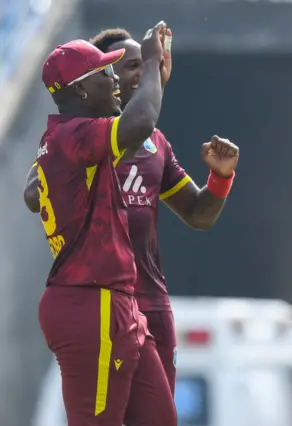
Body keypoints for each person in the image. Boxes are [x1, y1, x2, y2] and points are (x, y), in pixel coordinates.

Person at [24, 27, 238, 394]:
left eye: (144, 64)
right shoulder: (79, 140)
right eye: (130, 66)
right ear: (100, 79)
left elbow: (199, 214)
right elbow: (33, 193)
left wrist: (220, 178)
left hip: (151, 304)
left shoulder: (155, 144)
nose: (140, 73)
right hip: (99, 304)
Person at [32, 21, 181, 426]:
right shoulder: (73, 135)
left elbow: (136, 135)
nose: (115, 79)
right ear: (80, 91)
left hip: (118, 298)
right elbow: (140, 122)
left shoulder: (76, 137)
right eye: (104, 73)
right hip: (89, 300)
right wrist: (151, 62)